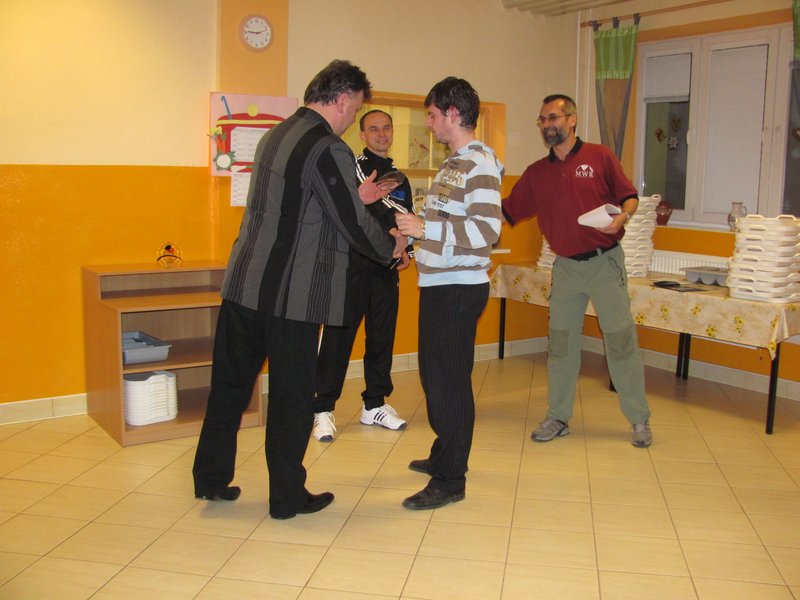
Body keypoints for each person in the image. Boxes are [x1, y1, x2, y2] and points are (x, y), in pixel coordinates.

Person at [192, 60, 403, 519]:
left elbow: (308, 203)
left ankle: (210, 478)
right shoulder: (328, 147)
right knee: (291, 399)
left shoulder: (274, 134)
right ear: (342, 100)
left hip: (244, 285)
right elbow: (352, 226)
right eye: (356, 110)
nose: (352, 119)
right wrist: (392, 247)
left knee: (229, 387)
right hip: (292, 297)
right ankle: (287, 498)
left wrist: (357, 198)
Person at [501, 93, 652, 448]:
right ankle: (558, 416)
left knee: (620, 341)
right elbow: (506, 211)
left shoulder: (599, 156)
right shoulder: (537, 174)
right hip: (566, 267)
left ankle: (639, 419)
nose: (547, 125)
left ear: (572, 119)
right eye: (542, 120)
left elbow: (629, 196)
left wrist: (624, 217)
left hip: (605, 263)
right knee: (561, 344)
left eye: (553, 118)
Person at [395, 77, 503, 510]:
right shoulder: (454, 163)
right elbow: (444, 224)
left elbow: (486, 231)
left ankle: (451, 479)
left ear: (453, 114)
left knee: (449, 383)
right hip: (440, 284)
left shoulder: (479, 165)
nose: (429, 122)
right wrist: (410, 239)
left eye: (433, 114)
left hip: (459, 288)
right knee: (434, 377)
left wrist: (424, 228)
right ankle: (445, 453)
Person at [312, 110, 414, 441]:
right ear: (362, 135)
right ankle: (321, 409)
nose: (382, 134)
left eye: (386, 128)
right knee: (337, 340)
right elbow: (361, 210)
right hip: (351, 269)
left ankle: (375, 404)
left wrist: (406, 251)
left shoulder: (400, 178)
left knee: (382, 338)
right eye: (374, 129)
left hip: (386, 270)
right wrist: (391, 235)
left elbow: (407, 216)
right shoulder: (353, 167)